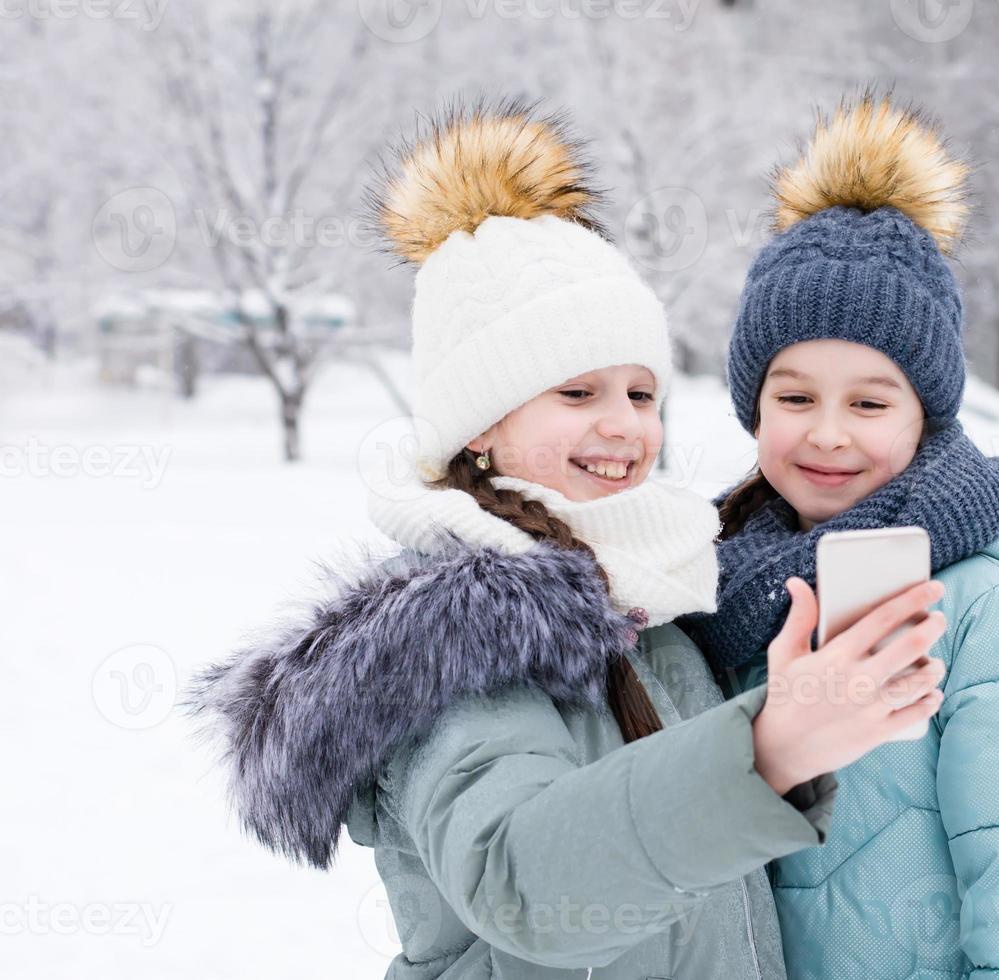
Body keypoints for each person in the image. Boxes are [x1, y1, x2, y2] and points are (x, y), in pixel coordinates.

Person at [183, 97, 950, 980]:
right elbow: (521, 882)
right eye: (577, 394)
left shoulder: (644, 592)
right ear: (478, 423)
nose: (624, 427)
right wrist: (769, 745)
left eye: (639, 393)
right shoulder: (452, 628)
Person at [679, 91, 999, 980]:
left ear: (924, 414)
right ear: (753, 406)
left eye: (870, 402)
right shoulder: (724, 596)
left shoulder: (986, 609)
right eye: (796, 396)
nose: (828, 433)